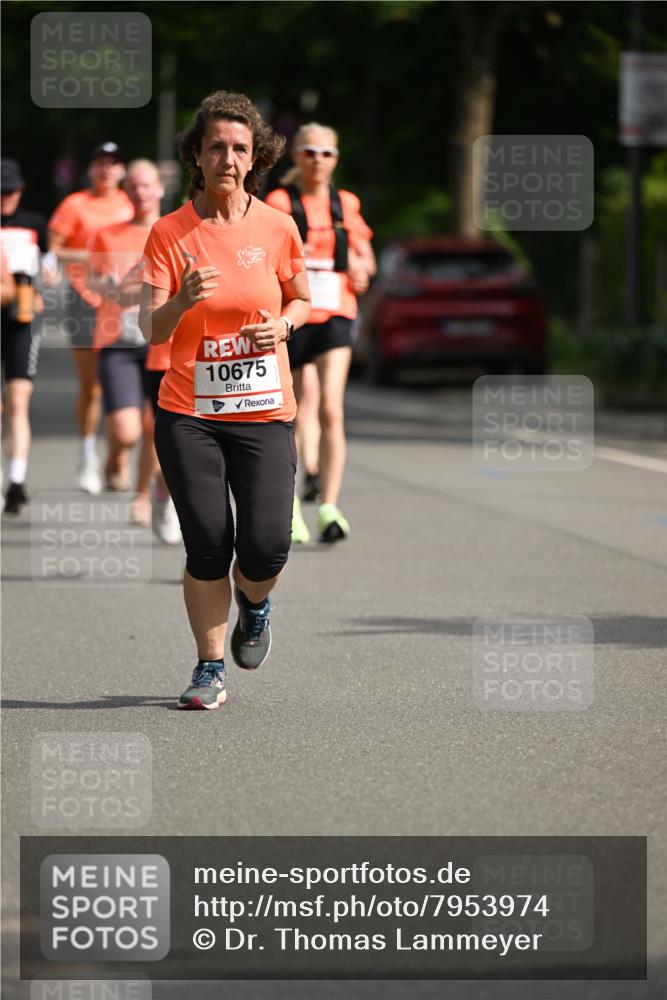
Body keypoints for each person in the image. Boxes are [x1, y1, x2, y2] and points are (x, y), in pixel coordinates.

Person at [139, 90, 310, 710]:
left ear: (256, 156)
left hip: (264, 409)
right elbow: (150, 329)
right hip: (190, 413)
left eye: (239, 148)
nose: (227, 158)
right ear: (197, 153)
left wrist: (284, 326)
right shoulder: (169, 232)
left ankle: (256, 605)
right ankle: (210, 667)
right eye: (216, 147)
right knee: (209, 541)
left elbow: (301, 298)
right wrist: (181, 301)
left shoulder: (277, 226)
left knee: (266, 545)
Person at [266, 123, 376, 544]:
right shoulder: (280, 201)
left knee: (331, 406)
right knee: (296, 409)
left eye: (326, 153)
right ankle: (292, 506)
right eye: (310, 152)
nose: (318, 160)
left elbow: (365, 255)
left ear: (336, 160)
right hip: (293, 314)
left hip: (336, 310)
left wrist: (364, 270)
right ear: (296, 157)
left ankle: (329, 505)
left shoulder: (345, 203)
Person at [88, 159, 180, 541]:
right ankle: (114, 457)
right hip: (118, 340)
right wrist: (116, 288)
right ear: (127, 191)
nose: (141, 192)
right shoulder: (108, 235)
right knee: (127, 432)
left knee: (156, 429)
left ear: (161, 188)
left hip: (161, 340)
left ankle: (147, 495)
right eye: (135, 186)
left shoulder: (175, 232)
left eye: (148, 185)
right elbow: (96, 281)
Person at [48, 142, 133, 494]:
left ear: (122, 171)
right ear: (91, 169)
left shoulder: (130, 205)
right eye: (100, 163)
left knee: (121, 381)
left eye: (113, 163)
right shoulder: (75, 204)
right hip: (84, 299)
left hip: (122, 303)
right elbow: (53, 248)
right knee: (92, 385)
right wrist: (95, 253)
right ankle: (87, 458)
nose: (106, 170)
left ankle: (118, 456)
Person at [0, 159, 49, 514]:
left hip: (23, 317)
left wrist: (44, 288)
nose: (7, 197)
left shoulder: (34, 224)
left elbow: (52, 269)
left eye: (12, 189)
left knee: (18, 398)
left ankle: (16, 480)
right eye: (2, 191)